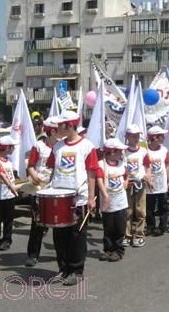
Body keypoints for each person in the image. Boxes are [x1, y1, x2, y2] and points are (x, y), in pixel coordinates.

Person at [46, 110, 98, 286]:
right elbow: (52, 170)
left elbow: (92, 172)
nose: (57, 128)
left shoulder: (87, 146)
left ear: (69, 125)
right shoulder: (58, 147)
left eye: (60, 125)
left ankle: (76, 270)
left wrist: (91, 197)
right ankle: (63, 268)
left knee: (76, 236)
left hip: (78, 198)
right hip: (58, 197)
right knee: (59, 236)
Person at [24, 116, 59, 267]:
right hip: (39, 190)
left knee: (58, 225)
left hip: (55, 190)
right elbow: (31, 165)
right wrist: (34, 176)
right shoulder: (38, 146)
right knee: (37, 223)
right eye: (58, 131)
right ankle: (32, 255)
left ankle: (61, 254)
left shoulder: (61, 147)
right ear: (52, 132)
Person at [95, 138, 129, 262]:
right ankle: (108, 249)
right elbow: (99, 180)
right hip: (107, 203)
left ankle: (118, 250)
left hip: (121, 202)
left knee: (120, 228)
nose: (122, 153)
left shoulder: (122, 164)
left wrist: (126, 181)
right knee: (108, 228)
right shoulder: (101, 165)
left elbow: (126, 174)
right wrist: (105, 195)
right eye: (119, 151)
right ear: (112, 152)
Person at [0, 135, 19, 251]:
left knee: (8, 219)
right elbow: (0, 174)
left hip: (9, 196)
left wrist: (13, 187)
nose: (13, 149)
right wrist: (10, 186)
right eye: (12, 147)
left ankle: (6, 240)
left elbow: (11, 176)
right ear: (7, 148)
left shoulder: (9, 161)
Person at [123, 124, 148, 247]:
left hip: (140, 184)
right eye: (133, 136)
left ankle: (138, 234)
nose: (135, 138)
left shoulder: (143, 151)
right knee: (128, 210)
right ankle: (126, 234)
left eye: (137, 136)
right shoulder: (123, 152)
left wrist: (147, 176)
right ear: (127, 136)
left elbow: (147, 166)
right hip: (128, 184)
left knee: (140, 210)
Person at [144, 126, 169, 236]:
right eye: (161, 136)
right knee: (149, 208)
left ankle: (162, 226)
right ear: (154, 137)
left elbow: (167, 166)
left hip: (162, 184)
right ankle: (150, 226)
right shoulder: (145, 151)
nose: (163, 138)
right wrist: (147, 179)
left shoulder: (164, 150)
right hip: (150, 184)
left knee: (163, 207)